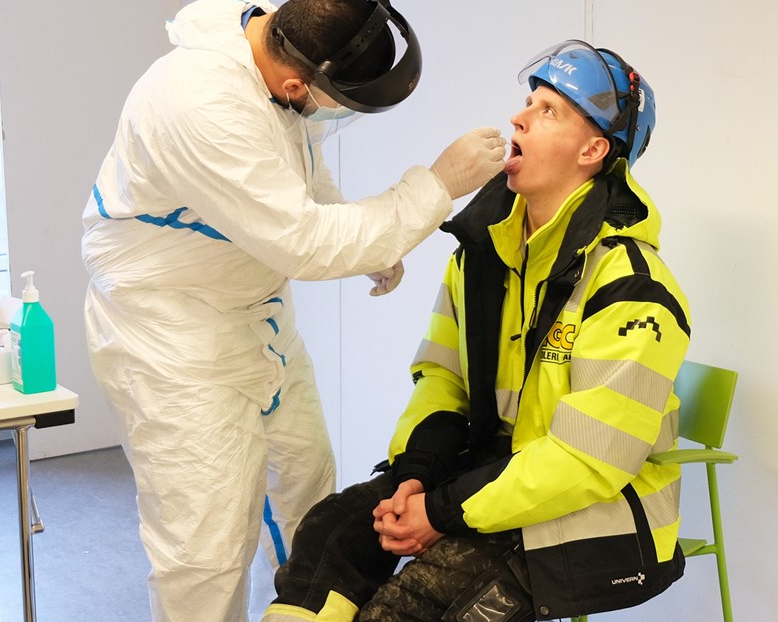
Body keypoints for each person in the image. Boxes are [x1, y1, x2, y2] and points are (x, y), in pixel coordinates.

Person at [81, 0, 507, 622]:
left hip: (256, 319)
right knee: (206, 544)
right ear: (294, 87)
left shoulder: (272, 33)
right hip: (173, 338)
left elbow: (295, 176)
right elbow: (304, 244)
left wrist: (371, 242)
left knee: (309, 492)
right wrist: (438, 185)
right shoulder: (199, 104)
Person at [261, 40, 689, 622]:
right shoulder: (480, 255)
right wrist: (416, 477)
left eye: (549, 111)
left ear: (593, 149)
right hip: (491, 481)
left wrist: (443, 513)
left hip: (601, 512)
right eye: (528, 102)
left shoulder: (631, 287)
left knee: (417, 602)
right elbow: (443, 379)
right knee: (331, 535)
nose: (519, 118)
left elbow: (588, 461)